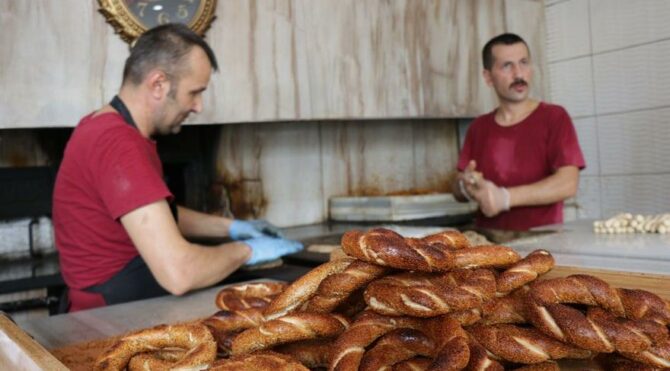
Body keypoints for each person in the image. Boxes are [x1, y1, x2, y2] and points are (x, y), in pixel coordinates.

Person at [52, 24, 303, 312]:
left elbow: (154, 213)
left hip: (120, 303)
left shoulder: (104, 126)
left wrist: (233, 228)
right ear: (158, 84)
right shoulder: (118, 143)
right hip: (108, 318)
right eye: (194, 92)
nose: (197, 106)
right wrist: (247, 251)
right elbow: (179, 274)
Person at [452, 33, 585, 231]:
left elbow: (568, 183)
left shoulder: (554, 117)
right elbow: (457, 190)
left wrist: (504, 198)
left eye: (524, 63)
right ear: (488, 77)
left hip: (543, 244)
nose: (518, 74)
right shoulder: (478, 127)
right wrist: (466, 185)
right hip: (490, 245)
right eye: (507, 65)